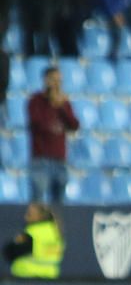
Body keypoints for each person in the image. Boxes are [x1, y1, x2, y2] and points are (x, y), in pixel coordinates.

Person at [28, 67, 79, 204]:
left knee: (59, 202)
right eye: (54, 79)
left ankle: (57, 225)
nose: (57, 83)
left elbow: (74, 125)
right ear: (46, 80)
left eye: (59, 80)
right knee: (38, 200)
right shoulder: (36, 101)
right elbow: (37, 123)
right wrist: (52, 103)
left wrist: (61, 107)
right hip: (41, 159)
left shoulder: (63, 102)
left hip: (60, 159)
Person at [3, 202, 64, 279]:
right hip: (50, 278)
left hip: (28, 278)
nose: (25, 217)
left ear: (40, 216)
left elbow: (10, 252)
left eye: (29, 214)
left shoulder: (32, 233)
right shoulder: (56, 233)